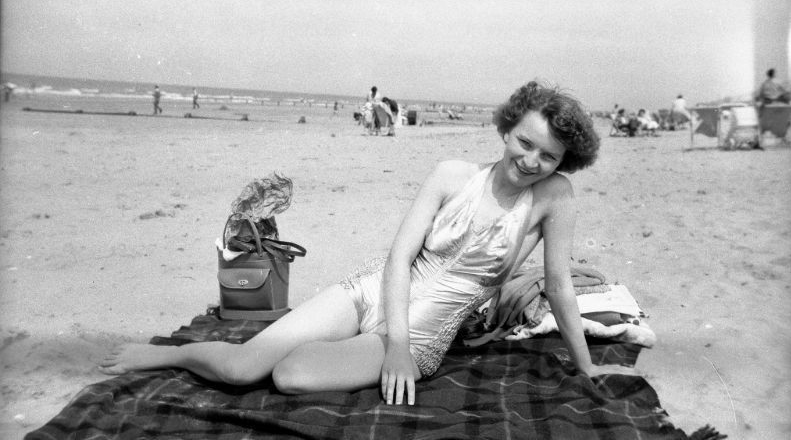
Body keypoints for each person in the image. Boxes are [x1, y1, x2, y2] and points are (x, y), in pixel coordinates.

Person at [100, 80, 634, 405]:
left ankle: (312, 347)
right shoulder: (452, 174)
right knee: (242, 369)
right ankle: (171, 356)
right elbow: (400, 257)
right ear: (506, 128)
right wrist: (390, 346)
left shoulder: (554, 198)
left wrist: (585, 366)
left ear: (565, 162)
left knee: (290, 375)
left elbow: (559, 286)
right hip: (374, 290)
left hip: (426, 332)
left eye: (549, 156)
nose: (532, 161)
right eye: (525, 142)